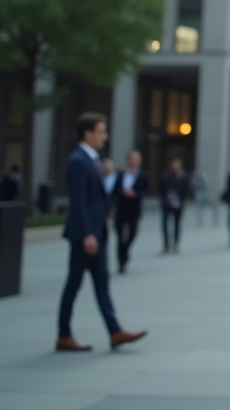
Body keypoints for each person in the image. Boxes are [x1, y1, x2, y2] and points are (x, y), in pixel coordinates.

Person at [56, 112, 146, 352]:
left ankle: (115, 331)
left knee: (102, 283)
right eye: (101, 132)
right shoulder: (79, 161)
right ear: (87, 134)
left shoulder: (92, 159)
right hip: (86, 235)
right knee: (74, 283)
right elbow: (78, 202)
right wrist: (87, 233)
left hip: (97, 233)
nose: (105, 136)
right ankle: (64, 334)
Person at [112, 151, 149, 274]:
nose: (133, 161)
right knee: (120, 236)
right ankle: (121, 262)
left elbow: (146, 191)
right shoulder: (121, 174)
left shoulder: (143, 175)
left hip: (134, 209)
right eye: (132, 158)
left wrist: (135, 194)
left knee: (132, 233)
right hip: (121, 208)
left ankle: (125, 251)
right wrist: (123, 192)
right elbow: (114, 190)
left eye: (136, 159)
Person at [159, 158, 189, 254]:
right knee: (165, 224)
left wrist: (180, 201)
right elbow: (161, 190)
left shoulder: (183, 176)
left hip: (179, 204)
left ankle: (176, 243)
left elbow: (186, 190)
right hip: (167, 204)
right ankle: (166, 244)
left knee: (177, 224)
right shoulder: (165, 176)